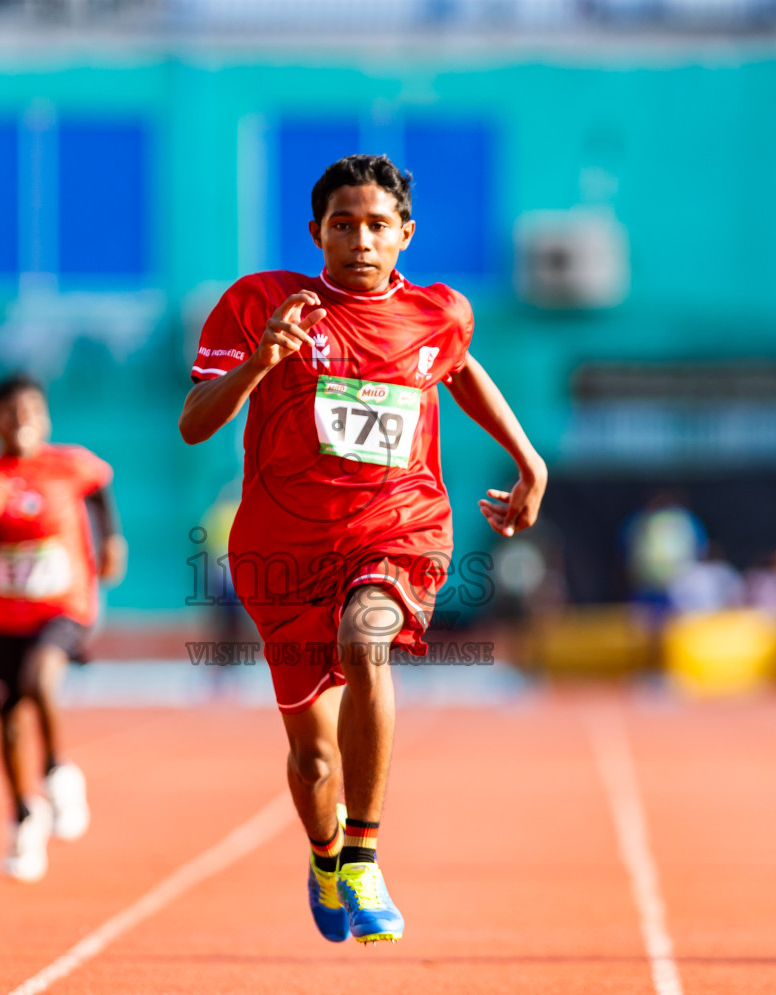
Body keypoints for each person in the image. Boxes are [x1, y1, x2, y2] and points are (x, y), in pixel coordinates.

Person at [179, 154, 546, 943]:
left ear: (405, 234)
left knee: (366, 636)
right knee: (314, 764)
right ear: (317, 232)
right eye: (343, 225)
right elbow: (195, 421)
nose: (360, 240)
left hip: (398, 529)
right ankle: (324, 853)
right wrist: (260, 361)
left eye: (377, 225)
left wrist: (528, 457)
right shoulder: (259, 304)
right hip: (283, 550)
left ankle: (365, 854)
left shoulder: (439, 315)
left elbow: (458, 368)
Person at [0, 374, 126, 883]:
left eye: (30, 409)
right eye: (8, 410)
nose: (20, 418)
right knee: (7, 721)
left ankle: (56, 771)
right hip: (2, 618)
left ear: (44, 417)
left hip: (63, 606)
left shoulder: (69, 463)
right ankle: (24, 816)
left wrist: (111, 540)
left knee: (41, 678)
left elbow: (99, 492)